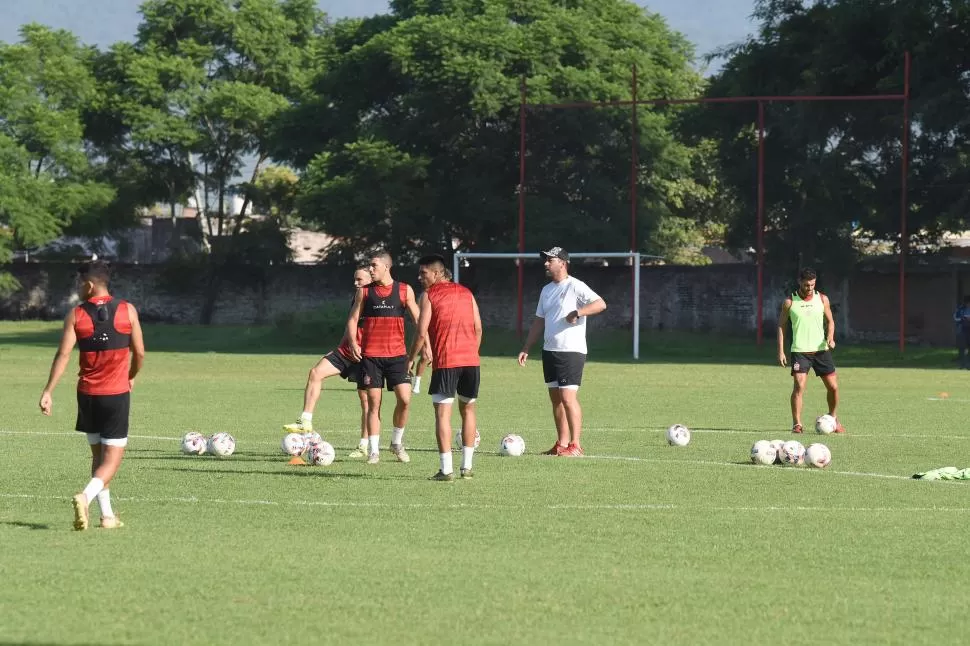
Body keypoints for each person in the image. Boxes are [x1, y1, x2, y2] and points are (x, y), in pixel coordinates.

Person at [38, 260, 145, 530]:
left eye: (78, 283)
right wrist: (131, 375)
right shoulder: (127, 310)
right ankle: (85, 497)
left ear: (88, 285)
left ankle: (107, 516)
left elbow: (63, 355)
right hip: (116, 395)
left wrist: (48, 391)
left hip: (86, 395)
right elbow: (140, 353)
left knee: (98, 458)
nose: (77, 287)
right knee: (111, 461)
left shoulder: (75, 315)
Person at [517, 247, 607, 457]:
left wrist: (579, 312)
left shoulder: (575, 286)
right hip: (550, 350)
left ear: (563, 262)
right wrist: (526, 347)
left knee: (568, 397)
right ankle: (562, 444)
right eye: (545, 260)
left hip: (571, 351)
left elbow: (601, 304)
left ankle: (576, 445)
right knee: (556, 399)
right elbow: (539, 321)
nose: (546, 264)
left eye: (550, 260)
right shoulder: (546, 290)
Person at [283, 266, 373, 458]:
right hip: (346, 351)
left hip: (366, 356)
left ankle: (364, 445)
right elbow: (351, 324)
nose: (355, 283)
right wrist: (342, 345)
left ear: (371, 279)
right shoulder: (357, 297)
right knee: (316, 373)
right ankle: (305, 420)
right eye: (354, 279)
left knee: (366, 402)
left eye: (359, 280)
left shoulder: (377, 301)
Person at [408, 255, 483, 481]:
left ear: (437, 273)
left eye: (424, 273)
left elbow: (421, 332)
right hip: (471, 361)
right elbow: (478, 328)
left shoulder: (429, 295)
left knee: (443, 414)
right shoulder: (467, 293)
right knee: (468, 410)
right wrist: (471, 352)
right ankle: (467, 468)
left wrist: (410, 359)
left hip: (447, 361)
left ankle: (446, 470)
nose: (420, 277)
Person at [346, 251, 421, 464]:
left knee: (405, 400)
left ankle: (396, 442)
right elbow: (352, 320)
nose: (370, 269)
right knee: (373, 403)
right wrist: (353, 342)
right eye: (369, 266)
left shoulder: (405, 290)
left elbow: (419, 322)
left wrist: (425, 347)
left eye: (374, 265)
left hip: (398, 356)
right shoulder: (365, 293)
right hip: (371, 356)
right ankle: (374, 451)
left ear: (386, 267)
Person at [777, 267, 845, 434]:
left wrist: (830, 337)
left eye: (812, 285)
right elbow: (781, 326)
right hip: (800, 351)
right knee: (799, 386)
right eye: (807, 285)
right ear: (799, 282)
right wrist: (781, 351)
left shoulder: (822, 299)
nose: (809, 288)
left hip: (821, 350)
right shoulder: (789, 302)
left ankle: (833, 418)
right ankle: (797, 424)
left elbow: (830, 321)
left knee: (834, 387)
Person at [954, 296, 970, 369]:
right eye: (966, 303)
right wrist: (962, 319)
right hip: (962, 330)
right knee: (962, 348)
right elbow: (955, 318)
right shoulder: (960, 309)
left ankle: (968, 364)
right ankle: (962, 364)